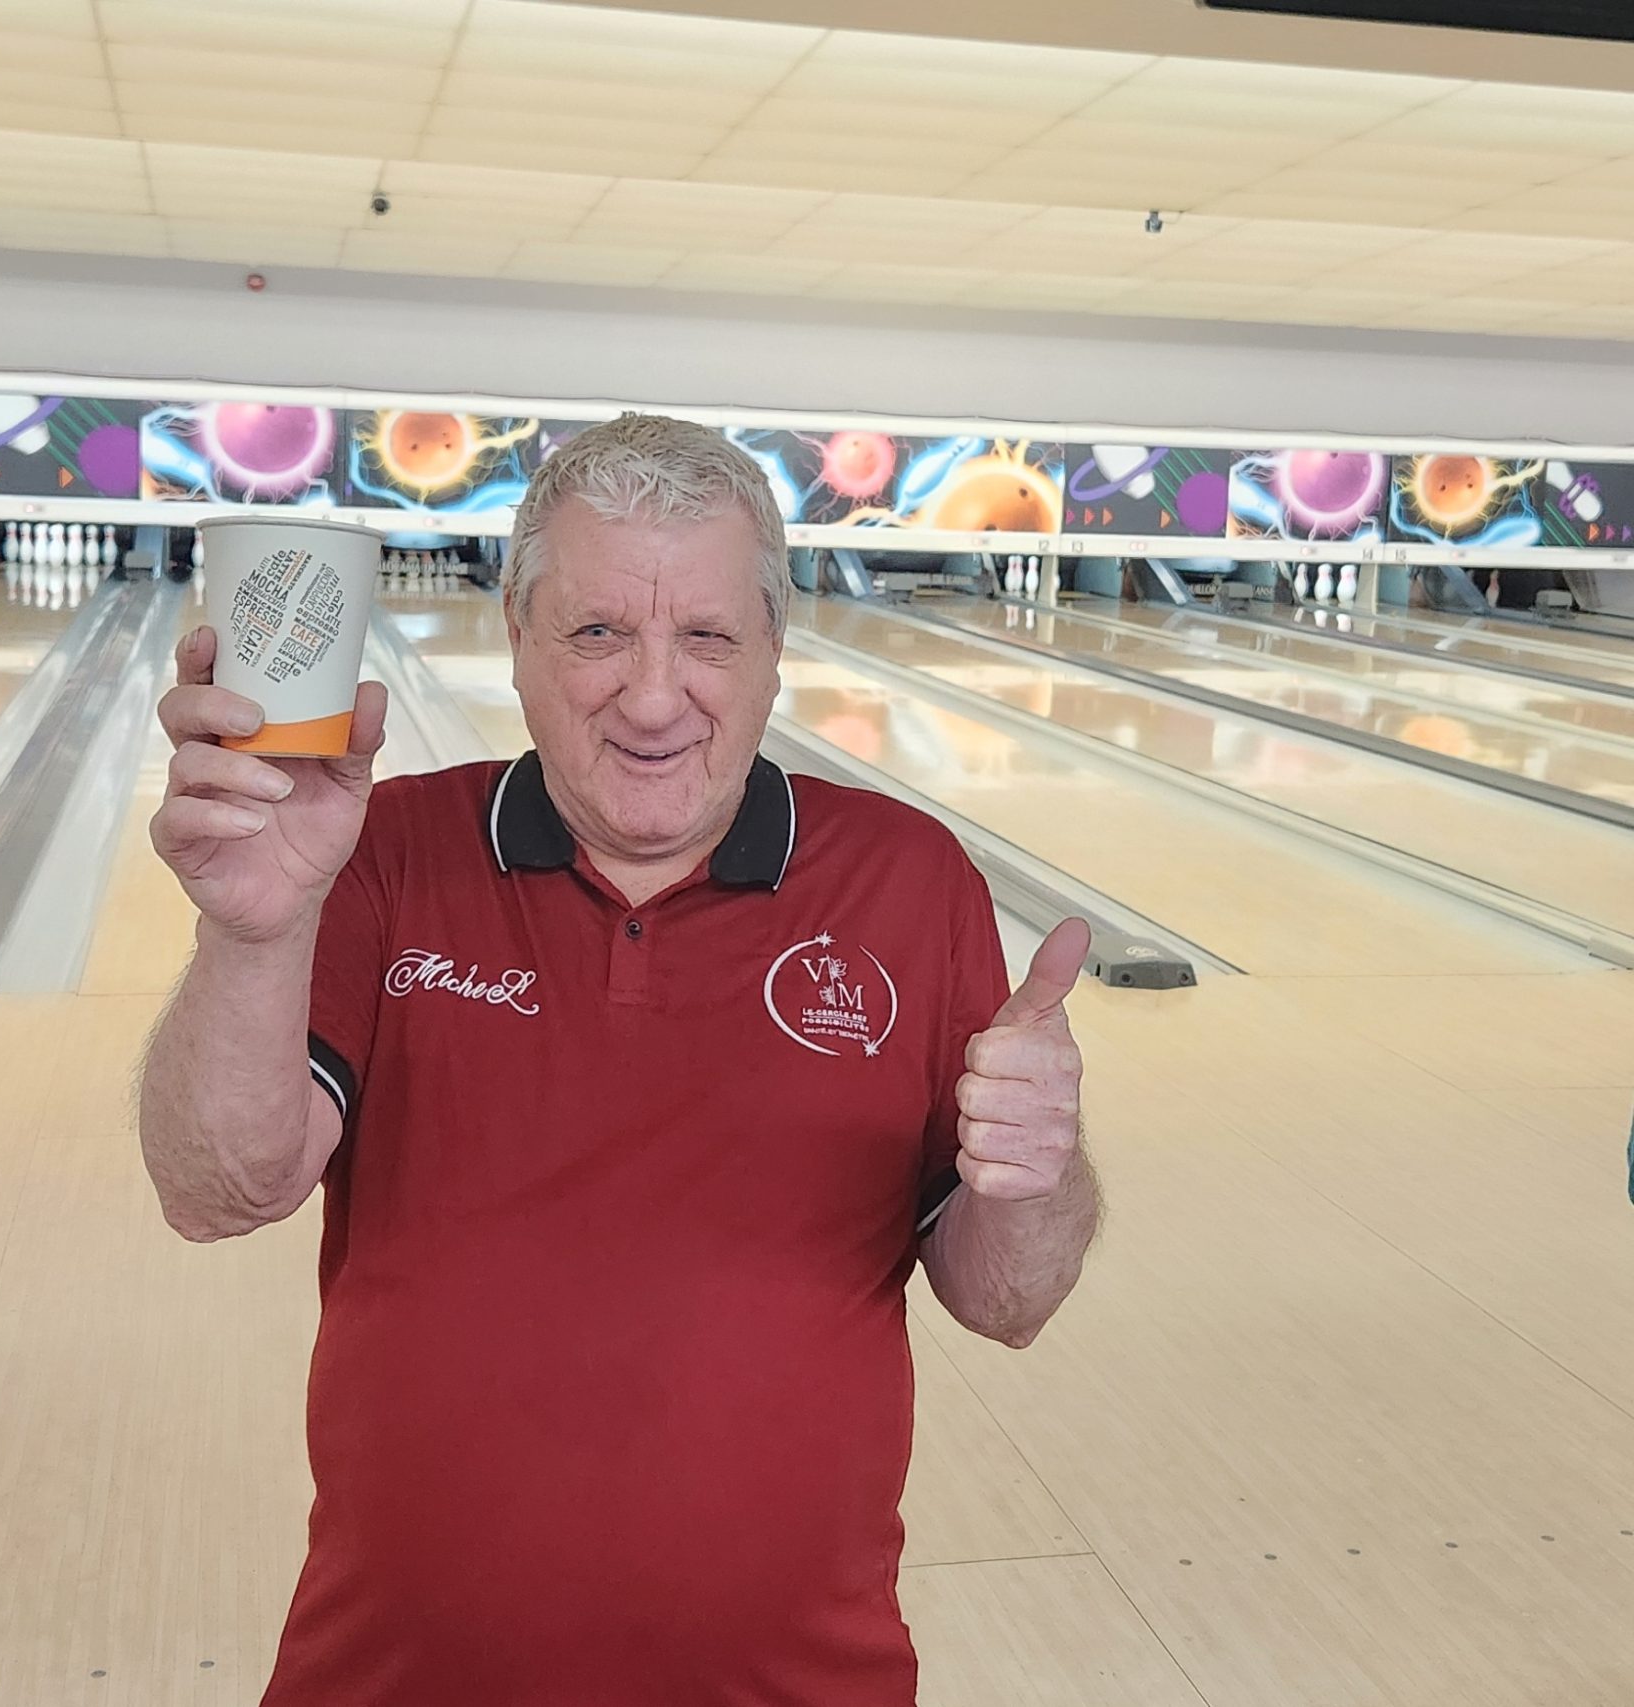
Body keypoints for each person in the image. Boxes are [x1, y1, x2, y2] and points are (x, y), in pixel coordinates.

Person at [138, 413, 1099, 1705]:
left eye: (707, 636)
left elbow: (1007, 1299)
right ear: (517, 636)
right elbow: (216, 1189)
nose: (653, 697)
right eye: (597, 632)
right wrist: (252, 934)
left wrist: (1036, 1173)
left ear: (773, 650)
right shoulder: (378, 851)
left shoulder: (910, 884)